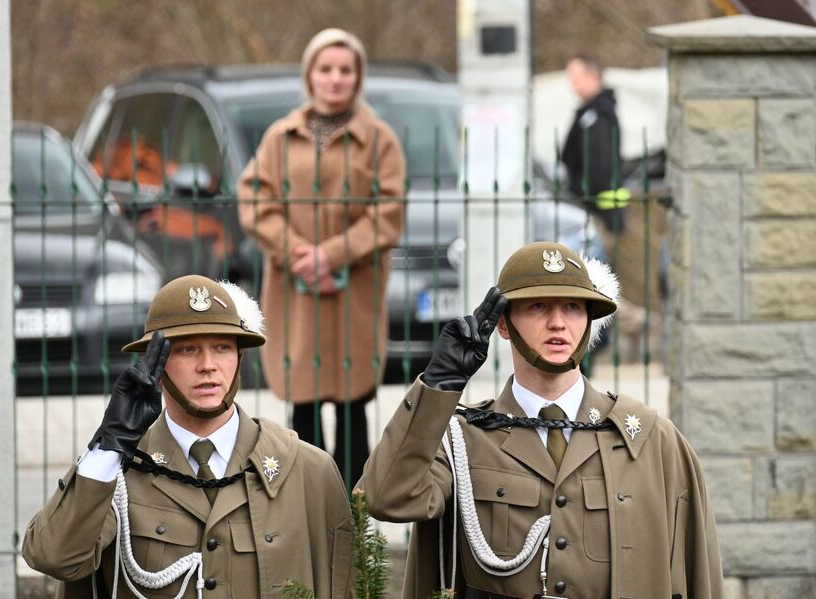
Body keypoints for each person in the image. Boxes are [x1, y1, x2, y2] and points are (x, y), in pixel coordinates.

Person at [358, 241, 724, 598]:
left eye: (572, 307)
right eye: (537, 307)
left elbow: (698, 572)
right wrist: (438, 386)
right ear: (503, 324)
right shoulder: (461, 440)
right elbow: (386, 497)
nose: (558, 324)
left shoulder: (650, 440)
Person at [22, 274, 354, 599]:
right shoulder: (118, 472)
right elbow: (53, 556)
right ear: (155, 365)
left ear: (239, 358)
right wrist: (109, 444)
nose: (208, 365)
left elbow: (345, 584)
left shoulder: (307, 470)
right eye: (187, 349)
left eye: (222, 347)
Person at [236, 28, 405, 489]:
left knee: (353, 409)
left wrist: (331, 256)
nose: (335, 79)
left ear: (358, 77)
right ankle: (304, 505)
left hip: (355, 292)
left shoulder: (380, 140)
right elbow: (254, 200)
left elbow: (388, 212)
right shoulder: (279, 137)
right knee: (302, 407)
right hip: (296, 292)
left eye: (345, 70)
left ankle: (354, 517)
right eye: (325, 69)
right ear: (310, 75)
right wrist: (298, 256)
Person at [561, 52, 629, 235]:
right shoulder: (592, 113)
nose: (572, 84)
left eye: (576, 77)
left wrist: (584, 199)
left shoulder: (596, 117)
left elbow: (597, 165)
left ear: (592, 76)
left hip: (597, 212)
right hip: (595, 209)